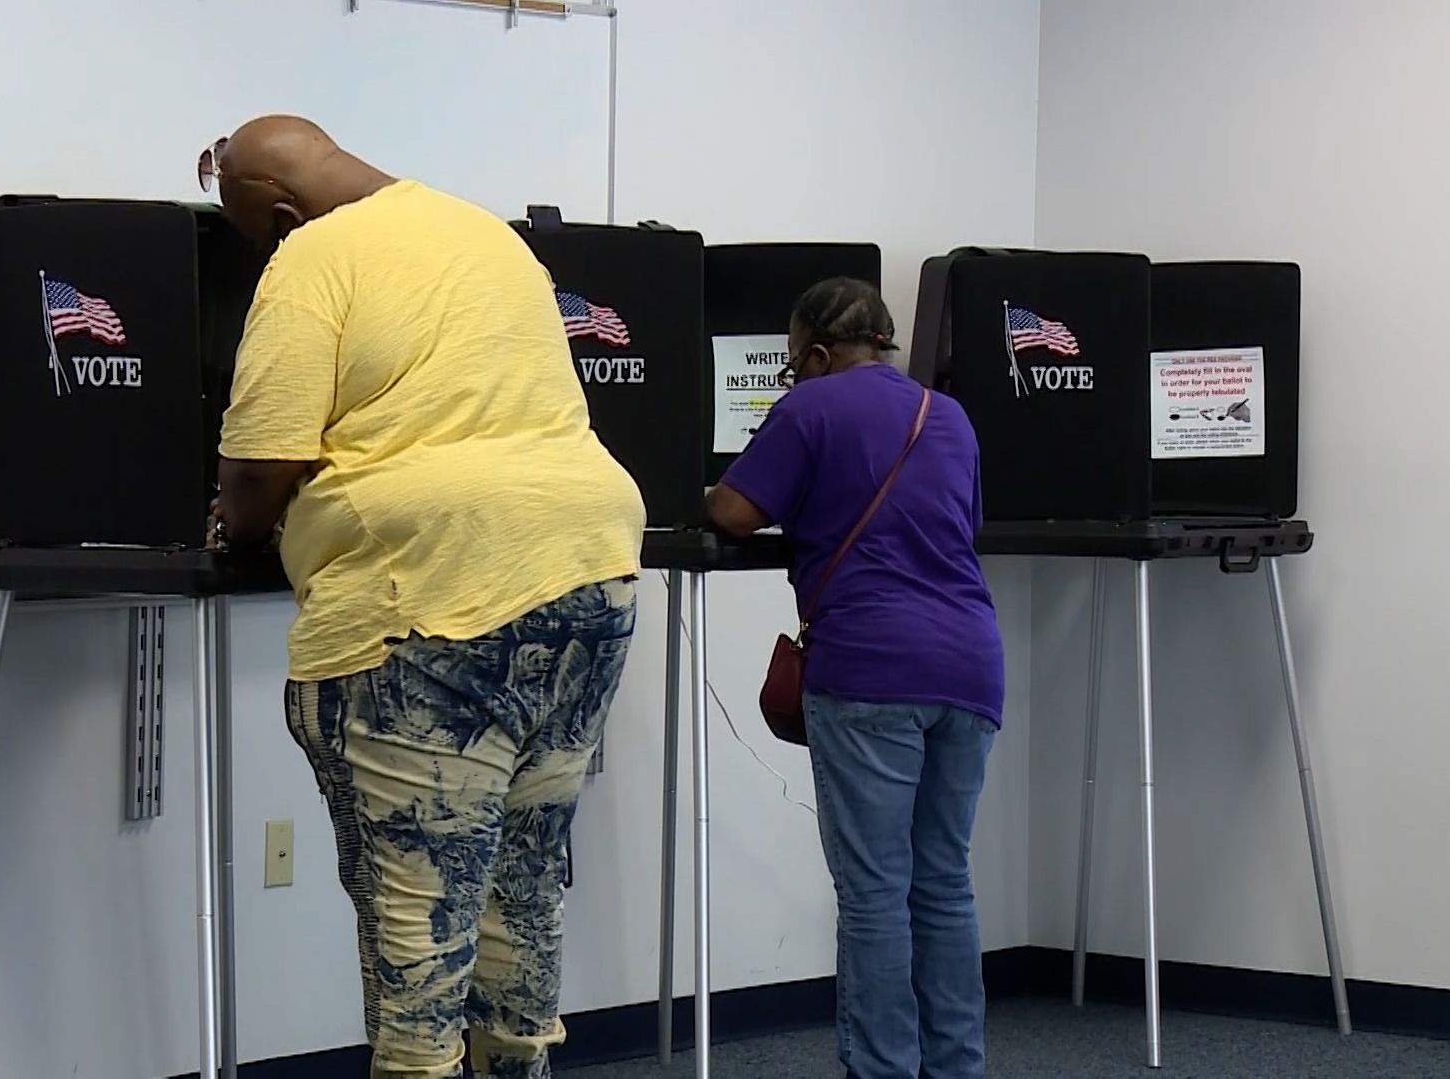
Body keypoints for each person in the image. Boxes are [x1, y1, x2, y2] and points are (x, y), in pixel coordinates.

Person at [203, 116, 646, 1079]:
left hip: (426, 596)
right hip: (588, 568)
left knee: (418, 914)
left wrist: (236, 526)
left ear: (279, 213)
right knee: (523, 883)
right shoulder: (489, 234)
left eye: (252, 232)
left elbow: (261, 458)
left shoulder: (313, 254)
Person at [706, 278, 1004, 1079]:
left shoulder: (811, 405)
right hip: (971, 665)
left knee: (875, 891)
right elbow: (957, 522)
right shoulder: (949, 415)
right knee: (942, 882)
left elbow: (733, 512)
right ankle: (956, 1069)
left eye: (794, 365)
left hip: (872, 665)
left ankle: (880, 1071)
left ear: (815, 354)